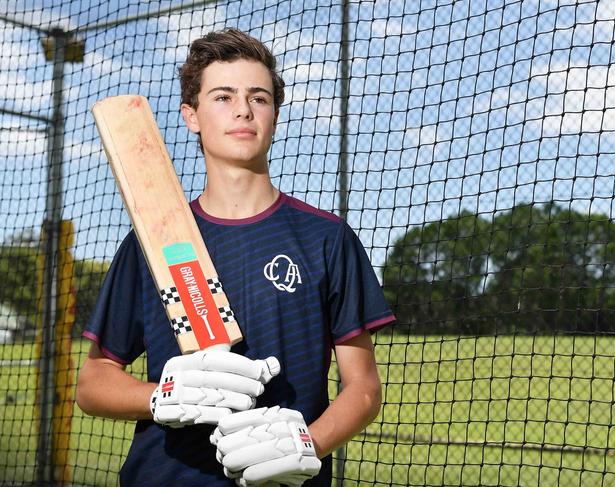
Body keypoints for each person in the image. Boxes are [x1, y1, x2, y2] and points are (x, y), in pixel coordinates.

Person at [76, 28, 395, 486]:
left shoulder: (327, 238)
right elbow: (93, 382)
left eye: (259, 98)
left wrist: (308, 444)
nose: (243, 109)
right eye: (223, 96)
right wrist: (161, 397)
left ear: (276, 116)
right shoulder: (154, 240)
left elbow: (363, 387)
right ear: (191, 116)